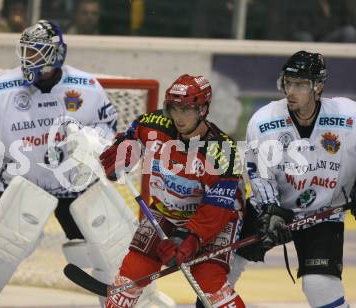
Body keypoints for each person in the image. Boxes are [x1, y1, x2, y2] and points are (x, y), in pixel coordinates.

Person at [0, 19, 118, 306]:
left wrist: (88, 140)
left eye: (36, 53)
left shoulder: (86, 86)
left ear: (56, 54)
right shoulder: (1, 90)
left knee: (109, 249)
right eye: (26, 51)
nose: (28, 59)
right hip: (15, 184)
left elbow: (108, 128)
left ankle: (124, 299)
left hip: (72, 184)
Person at [230, 50, 356, 308]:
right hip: (272, 211)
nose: (291, 90)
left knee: (319, 287)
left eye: (300, 84)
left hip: (324, 212)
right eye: (288, 83)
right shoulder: (265, 121)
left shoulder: (351, 117)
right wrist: (270, 210)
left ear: (318, 86)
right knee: (222, 271)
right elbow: (259, 172)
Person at [99, 74, 246, 307]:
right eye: (173, 108)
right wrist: (120, 157)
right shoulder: (151, 125)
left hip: (216, 219)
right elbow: (130, 141)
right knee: (131, 275)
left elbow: (217, 210)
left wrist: (189, 239)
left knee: (209, 284)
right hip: (165, 210)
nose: (178, 117)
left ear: (203, 109)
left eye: (186, 109)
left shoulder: (222, 152)